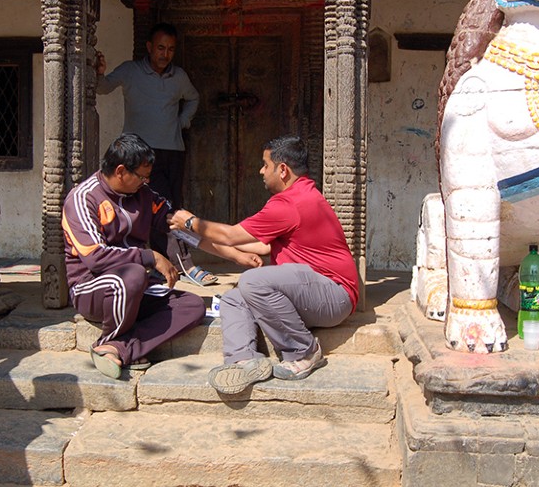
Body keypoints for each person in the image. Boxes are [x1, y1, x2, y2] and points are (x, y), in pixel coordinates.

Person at [169, 136, 359, 394]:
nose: (261, 170)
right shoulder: (298, 197)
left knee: (252, 281)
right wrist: (193, 236)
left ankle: (304, 351)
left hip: (334, 296)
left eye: (265, 164)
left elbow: (231, 236)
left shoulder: (291, 203)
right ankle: (244, 360)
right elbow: (257, 246)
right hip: (310, 295)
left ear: (282, 170)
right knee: (234, 298)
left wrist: (191, 222)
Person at [61, 133, 206, 379]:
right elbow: (95, 257)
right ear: (120, 171)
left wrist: (223, 240)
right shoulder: (83, 198)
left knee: (192, 305)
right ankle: (112, 337)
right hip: (94, 288)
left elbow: (171, 218)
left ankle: (118, 347)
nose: (146, 181)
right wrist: (150, 257)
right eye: (141, 175)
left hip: (137, 288)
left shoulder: (144, 194)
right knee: (134, 274)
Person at [96, 22, 217, 286]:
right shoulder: (130, 71)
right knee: (156, 209)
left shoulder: (179, 77)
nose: (165, 54)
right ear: (149, 47)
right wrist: (99, 73)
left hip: (172, 151)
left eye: (171, 49)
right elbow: (102, 88)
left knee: (171, 206)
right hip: (138, 157)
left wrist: (183, 121)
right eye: (160, 47)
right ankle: (182, 265)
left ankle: (169, 263)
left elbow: (193, 98)